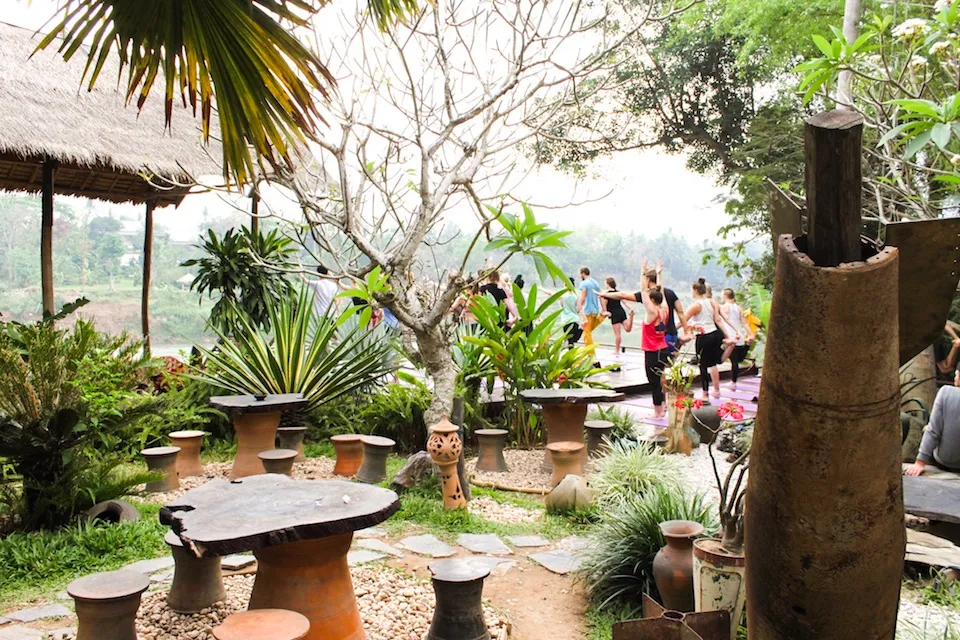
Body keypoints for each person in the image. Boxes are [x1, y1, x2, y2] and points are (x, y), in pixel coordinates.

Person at [681, 278, 733, 400]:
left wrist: (672, 328)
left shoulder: (696, 305)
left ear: (695, 290)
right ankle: (715, 388)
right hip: (714, 333)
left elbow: (684, 319)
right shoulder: (711, 302)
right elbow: (718, 319)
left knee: (702, 365)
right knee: (713, 362)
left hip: (704, 336)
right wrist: (727, 334)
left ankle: (705, 393)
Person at [904, 369, 960, 475]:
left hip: (944, 462)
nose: (954, 378)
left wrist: (919, 463)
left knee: (927, 428)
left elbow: (933, 431)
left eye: (956, 375)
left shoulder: (946, 392)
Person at [640, 286, 670, 418]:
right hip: (662, 349)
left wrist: (642, 273)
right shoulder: (664, 310)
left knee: (654, 382)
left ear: (652, 299)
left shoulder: (652, 313)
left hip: (652, 350)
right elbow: (661, 292)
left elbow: (643, 293)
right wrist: (658, 274)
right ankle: (662, 406)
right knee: (659, 380)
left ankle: (657, 411)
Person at [719, 288, 754, 390]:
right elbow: (744, 323)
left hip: (731, 336)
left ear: (725, 296)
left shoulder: (724, 307)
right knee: (735, 360)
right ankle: (733, 380)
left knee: (733, 360)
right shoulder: (738, 308)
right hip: (739, 336)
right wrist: (750, 334)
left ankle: (733, 382)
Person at [602, 277, 634, 360]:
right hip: (621, 311)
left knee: (617, 334)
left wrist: (605, 312)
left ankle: (616, 350)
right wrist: (630, 308)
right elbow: (625, 301)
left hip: (614, 314)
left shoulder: (606, 294)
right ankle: (631, 317)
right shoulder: (618, 293)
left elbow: (604, 307)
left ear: (608, 284)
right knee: (627, 329)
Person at [577, 267, 604, 359]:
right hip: (595, 311)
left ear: (583, 273)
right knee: (588, 332)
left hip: (588, 311)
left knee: (587, 333)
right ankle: (586, 352)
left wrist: (579, 305)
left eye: (580, 274)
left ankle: (591, 355)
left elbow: (583, 296)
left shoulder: (584, 283)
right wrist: (603, 308)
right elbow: (601, 296)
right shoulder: (595, 283)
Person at [558, 277, 583, 347]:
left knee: (570, 341)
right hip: (575, 320)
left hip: (566, 321)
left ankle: (570, 356)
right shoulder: (576, 295)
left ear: (566, 285)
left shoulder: (563, 296)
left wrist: (542, 289)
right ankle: (581, 329)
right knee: (573, 339)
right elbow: (580, 308)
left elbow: (551, 294)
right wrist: (585, 318)